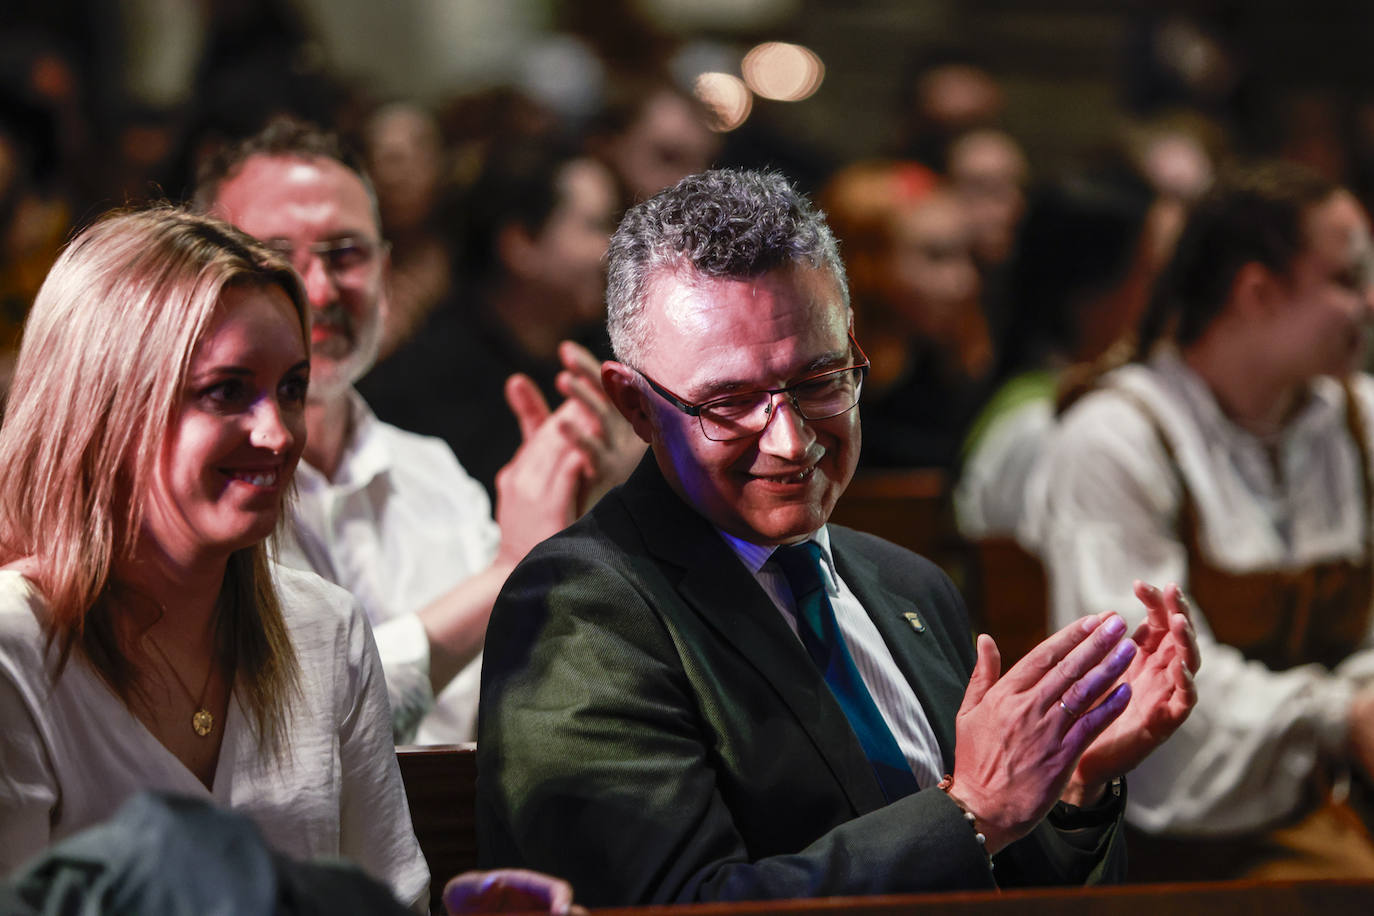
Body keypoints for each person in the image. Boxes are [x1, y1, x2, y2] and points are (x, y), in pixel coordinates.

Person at [476, 168, 1200, 905]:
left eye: (821, 380)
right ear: (635, 405)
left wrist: (1072, 785)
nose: (790, 441)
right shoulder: (580, 609)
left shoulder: (908, 585)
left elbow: (1006, 877)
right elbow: (677, 906)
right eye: (730, 403)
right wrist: (972, 811)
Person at [0, 207, 426, 907]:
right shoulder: (15, 650)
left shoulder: (323, 627)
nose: (279, 433)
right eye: (226, 392)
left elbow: (393, 901)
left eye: (291, 388)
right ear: (108, 406)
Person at [195, 118, 638, 743]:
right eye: (273, 256)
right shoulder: (190, 489)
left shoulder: (430, 470)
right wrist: (514, 570)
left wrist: (594, 534)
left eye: (345, 254)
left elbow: (538, 698)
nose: (317, 289)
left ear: (385, 269)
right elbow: (294, 729)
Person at [1030, 161, 1374, 879]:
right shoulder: (1119, 436)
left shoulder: (1356, 418)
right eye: (1347, 280)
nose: (1369, 302)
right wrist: (1340, 717)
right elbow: (1145, 691)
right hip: (1181, 840)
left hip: (1338, 797)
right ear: (1257, 292)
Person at [361, 140, 631, 501]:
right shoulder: (426, 383)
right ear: (520, 244)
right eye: (595, 226)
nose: (616, 247)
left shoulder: (606, 351)